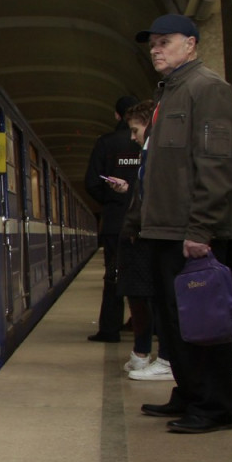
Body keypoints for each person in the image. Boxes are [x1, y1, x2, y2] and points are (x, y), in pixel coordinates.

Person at [133, 14, 232, 433]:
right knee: (176, 322)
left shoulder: (208, 89)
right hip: (165, 230)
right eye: (153, 43)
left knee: (204, 322)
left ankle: (214, 407)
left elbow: (216, 165)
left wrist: (201, 229)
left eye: (165, 41)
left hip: (191, 231)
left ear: (191, 44)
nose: (156, 49)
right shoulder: (169, 94)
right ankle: (189, 393)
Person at [108, 100, 171, 380]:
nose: (132, 137)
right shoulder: (148, 153)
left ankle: (164, 358)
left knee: (155, 300)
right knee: (141, 297)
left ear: (150, 123)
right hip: (139, 234)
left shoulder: (159, 153)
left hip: (147, 235)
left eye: (135, 130)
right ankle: (144, 353)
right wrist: (128, 189)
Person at [84, 95, 143, 341]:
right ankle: (151, 327)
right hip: (147, 220)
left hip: (116, 220)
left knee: (114, 275)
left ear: (117, 115)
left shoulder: (106, 143)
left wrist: (111, 201)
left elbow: (92, 183)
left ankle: (109, 329)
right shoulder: (150, 142)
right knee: (147, 275)